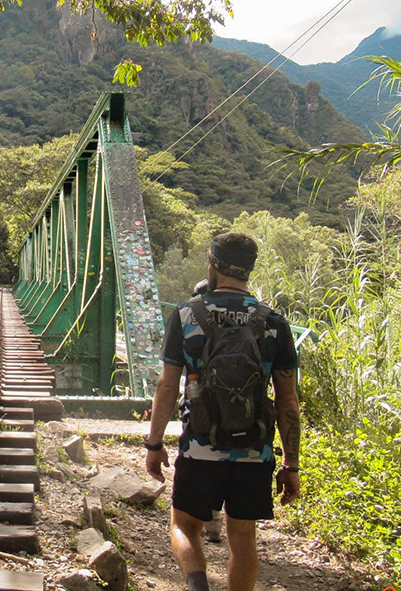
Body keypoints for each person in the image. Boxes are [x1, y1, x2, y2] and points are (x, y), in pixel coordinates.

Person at [144, 232, 302, 591]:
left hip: (200, 446)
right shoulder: (274, 322)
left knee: (183, 525)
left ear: (213, 265)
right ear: (248, 270)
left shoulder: (187, 315)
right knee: (243, 538)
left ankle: (197, 586)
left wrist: (154, 444)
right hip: (254, 450)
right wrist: (291, 464)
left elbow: (167, 387)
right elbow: (288, 402)